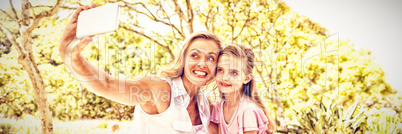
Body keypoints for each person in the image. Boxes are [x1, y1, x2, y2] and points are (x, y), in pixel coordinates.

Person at [59, 4, 222, 133]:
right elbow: (106, 84)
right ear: (183, 59)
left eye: (210, 58)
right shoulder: (158, 88)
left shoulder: (206, 105)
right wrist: (70, 55)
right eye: (195, 55)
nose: (202, 63)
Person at [210, 44, 276, 134]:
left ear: (246, 78)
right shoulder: (219, 107)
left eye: (233, 73)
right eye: (220, 70)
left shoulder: (247, 111)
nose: (225, 77)